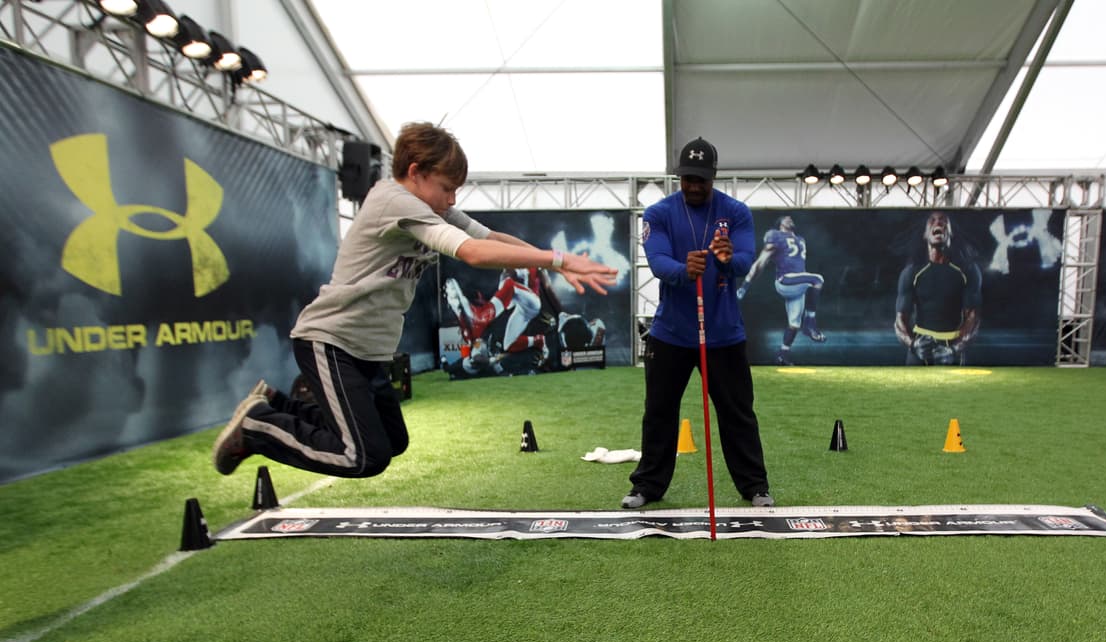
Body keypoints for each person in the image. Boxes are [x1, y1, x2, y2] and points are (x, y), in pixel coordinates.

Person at [212, 121, 617, 477]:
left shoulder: (430, 207)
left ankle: (276, 404)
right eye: (447, 188)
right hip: (330, 340)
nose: (452, 200)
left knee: (391, 442)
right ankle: (257, 427)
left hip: (368, 350)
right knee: (361, 458)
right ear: (415, 172)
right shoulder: (394, 201)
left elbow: (489, 239)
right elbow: (474, 254)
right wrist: (557, 257)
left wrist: (550, 265)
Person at [623, 137, 772, 509]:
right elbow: (657, 262)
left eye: (701, 180)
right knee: (659, 412)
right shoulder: (658, 213)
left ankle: (754, 487)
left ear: (713, 177)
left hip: (723, 334)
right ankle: (647, 486)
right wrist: (684, 271)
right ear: (679, 176)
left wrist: (725, 258)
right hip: (670, 333)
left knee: (738, 413)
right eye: (687, 178)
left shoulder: (736, 212)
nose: (693, 186)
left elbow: (744, 264)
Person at [894, 210, 981, 365]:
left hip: (952, 348)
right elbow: (900, 319)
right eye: (932, 220)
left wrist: (955, 349)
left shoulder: (968, 270)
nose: (938, 223)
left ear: (951, 233)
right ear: (925, 234)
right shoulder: (911, 272)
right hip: (920, 348)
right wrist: (913, 345)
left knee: (954, 390)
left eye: (943, 220)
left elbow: (972, 319)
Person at [739, 214, 825, 365]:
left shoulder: (800, 239)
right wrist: (745, 285)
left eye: (791, 218)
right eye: (786, 218)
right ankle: (810, 324)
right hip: (785, 281)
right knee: (817, 279)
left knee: (794, 325)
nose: (790, 219)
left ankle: (782, 355)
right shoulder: (775, 235)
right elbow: (761, 262)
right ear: (779, 223)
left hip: (797, 284)